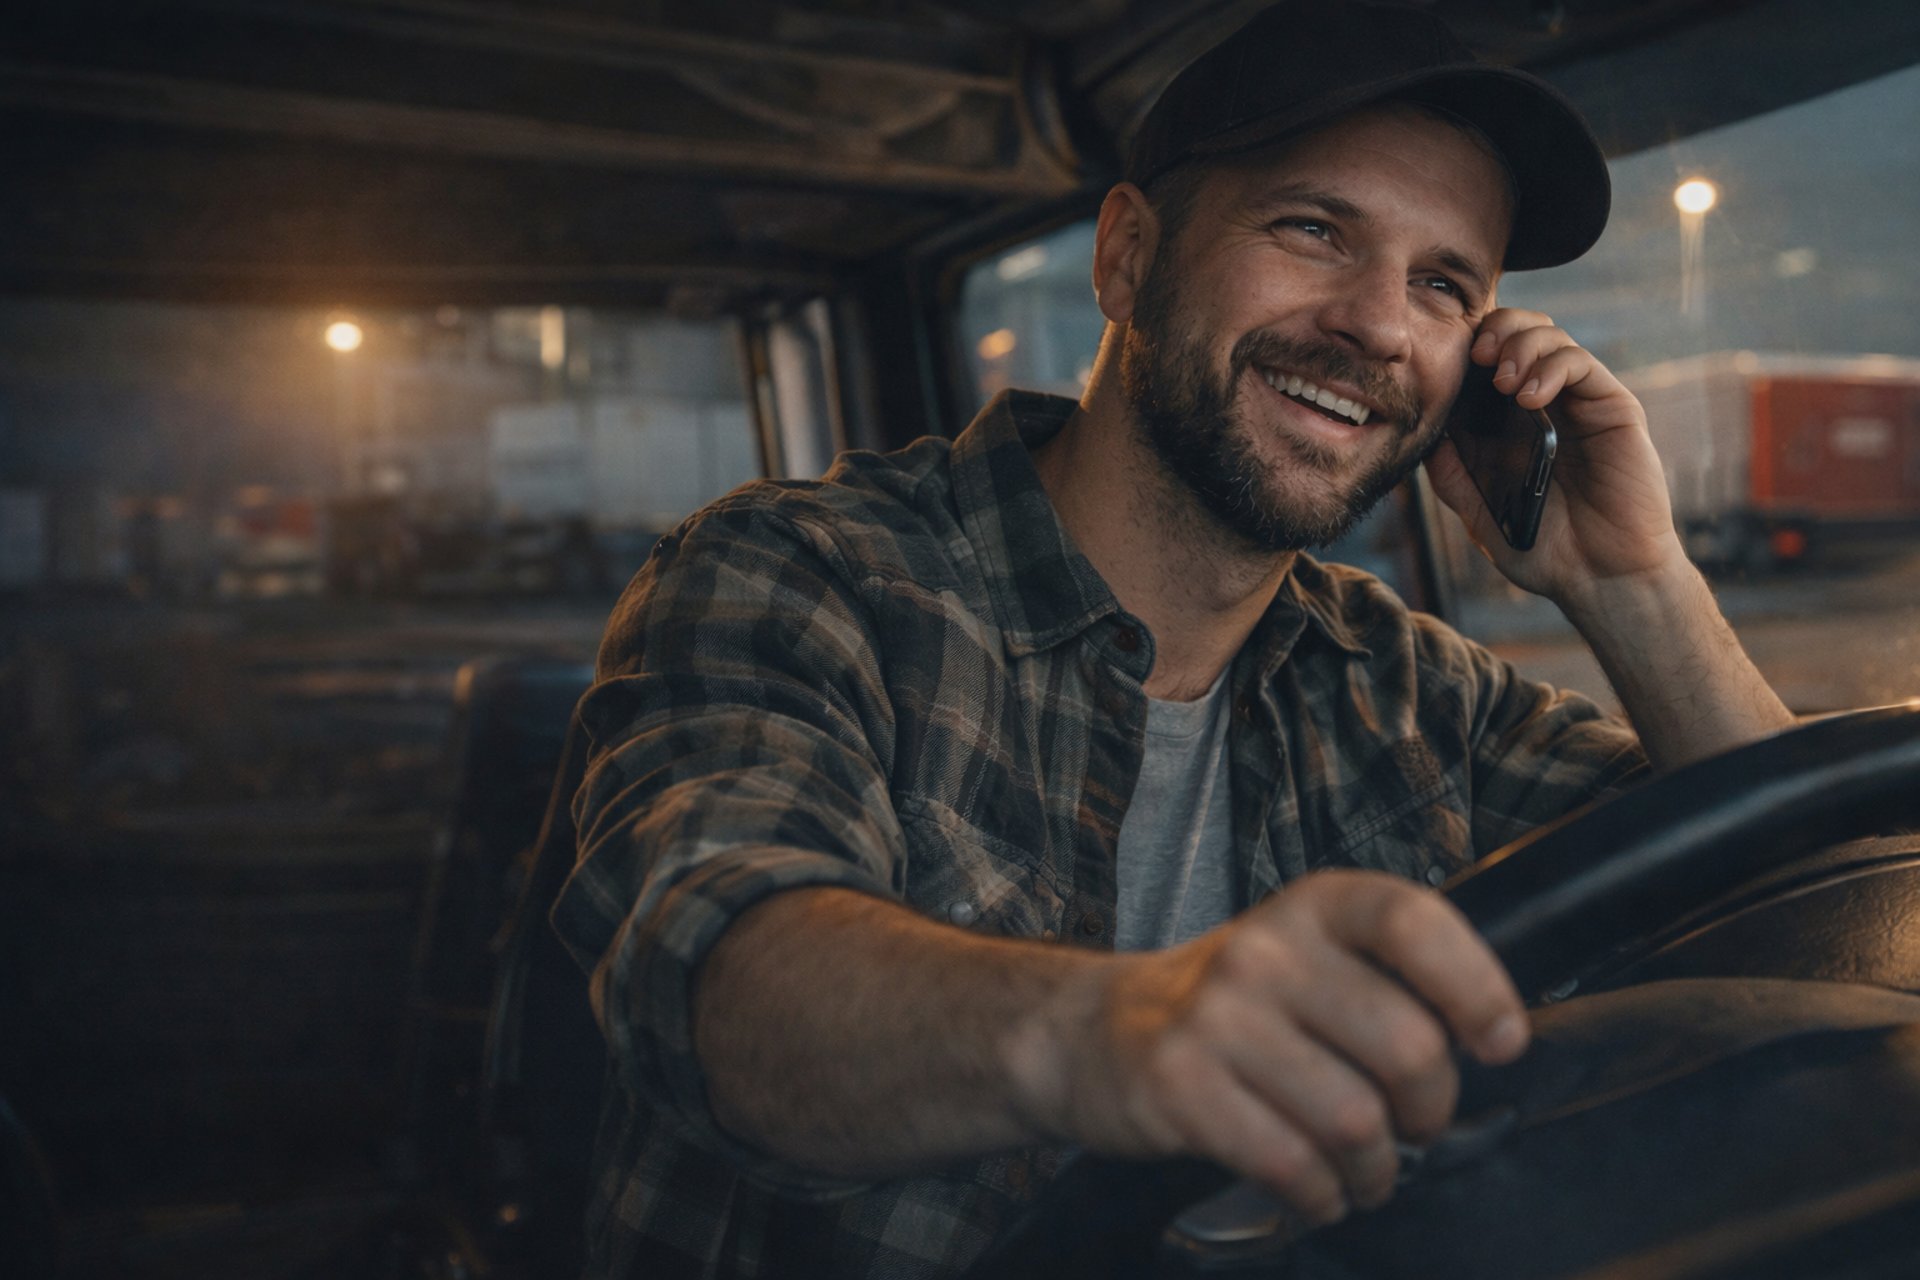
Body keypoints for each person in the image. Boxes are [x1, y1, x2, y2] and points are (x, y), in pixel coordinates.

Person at [551, 1, 1795, 1275]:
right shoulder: (803, 574)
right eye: (1315, 229)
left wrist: (1633, 580)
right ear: (1129, 258)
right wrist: (1123, 1029)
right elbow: (719, 981)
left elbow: (1810, 902)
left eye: (1442, 286)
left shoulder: (1413, 688)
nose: (1378, 324)